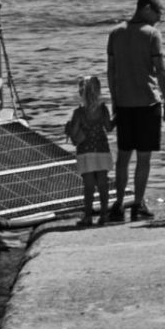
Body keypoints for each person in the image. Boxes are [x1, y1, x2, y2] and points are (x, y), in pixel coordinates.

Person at [104, 0, 165, 221]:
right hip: (147, 102)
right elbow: (161, 70)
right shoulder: (152, 34)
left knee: (123, 158)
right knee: (144, 158)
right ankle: (138, 204)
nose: (158, 19)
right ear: (145, 8)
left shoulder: (115, 33)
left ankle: (119, 205)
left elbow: (111, 72)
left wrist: (114, 101)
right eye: (157, 13)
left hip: (124, 103)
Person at [65, 75, 115, 224]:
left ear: (81, 94)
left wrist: (68, 128)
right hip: (101, 149)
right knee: (102, 183)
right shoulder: (103, 109)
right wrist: (117, 117)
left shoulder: (79, 113)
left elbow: (74, 133)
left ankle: (87, 216)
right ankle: (104, 214)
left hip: (85, 152)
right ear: (98, 92)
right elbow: (109, 127)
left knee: (88, 185)